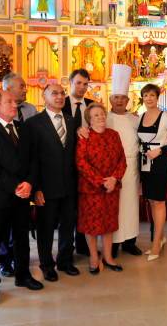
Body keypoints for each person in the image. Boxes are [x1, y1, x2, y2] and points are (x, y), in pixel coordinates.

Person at [0, 91, 43, 306]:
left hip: (23, 195)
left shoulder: (24, 129)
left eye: (16, 101)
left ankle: (23, 275)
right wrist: (14, 186)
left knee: (22, 238)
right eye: (9, 102)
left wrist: (29, 183)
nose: (15, 104)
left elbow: (34, 160)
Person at [25, 84, 80, 281]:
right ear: (44, 96)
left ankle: (65, 260)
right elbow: (31, 159)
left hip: (69, 185)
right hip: (46, 187)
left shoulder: (71, 121)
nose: (59, 96)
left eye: (62, 93)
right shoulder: (33, 124)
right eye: (54, 93)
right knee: (46, 227)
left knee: (68, 225)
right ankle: (46, 264)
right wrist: (36, 189)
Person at [77, 103, 127, 274]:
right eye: (96, 115)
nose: (101, 117)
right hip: (91, 189)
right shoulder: (84, 136)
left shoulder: (114, 135)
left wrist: (114, 179)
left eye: (102, 114)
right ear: (89, 120)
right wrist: (100, 181)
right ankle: (93, 257)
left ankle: (108, 257)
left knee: (109, 224)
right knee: (91, 225)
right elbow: (81, 163)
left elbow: (122, 160)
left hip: (112, 188)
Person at [137, 84, 167, 261]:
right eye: (146, 95)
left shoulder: (166, 117)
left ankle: (156, 244)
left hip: (159, 162)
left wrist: (160, 150)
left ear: (157, 97)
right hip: (144, 162)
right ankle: (160, 237)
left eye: (152, 95)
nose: (149, 98)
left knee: (159, 201)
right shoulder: (140, 117)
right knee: (152, 201)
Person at [108, 65, 142, 257]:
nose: (120, 101)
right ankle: (113, 244)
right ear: (111, 99)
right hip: (112, 169)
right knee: (115, 207)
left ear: (128, 100)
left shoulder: (134, 120)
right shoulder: (104, 118)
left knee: (130, 205)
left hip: (132, 168)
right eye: (116, 98)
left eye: (123, 98)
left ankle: (130, 241)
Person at [62, 69, 93, 256]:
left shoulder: (92, 106)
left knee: (85, 208)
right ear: (71, 83)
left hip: (87, 166)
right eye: (78, 83)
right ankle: (66, 250)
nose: (82, 87)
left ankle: (83, 246)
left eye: (85, 84)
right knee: (68, 212)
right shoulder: (60, 103)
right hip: (65, 166)